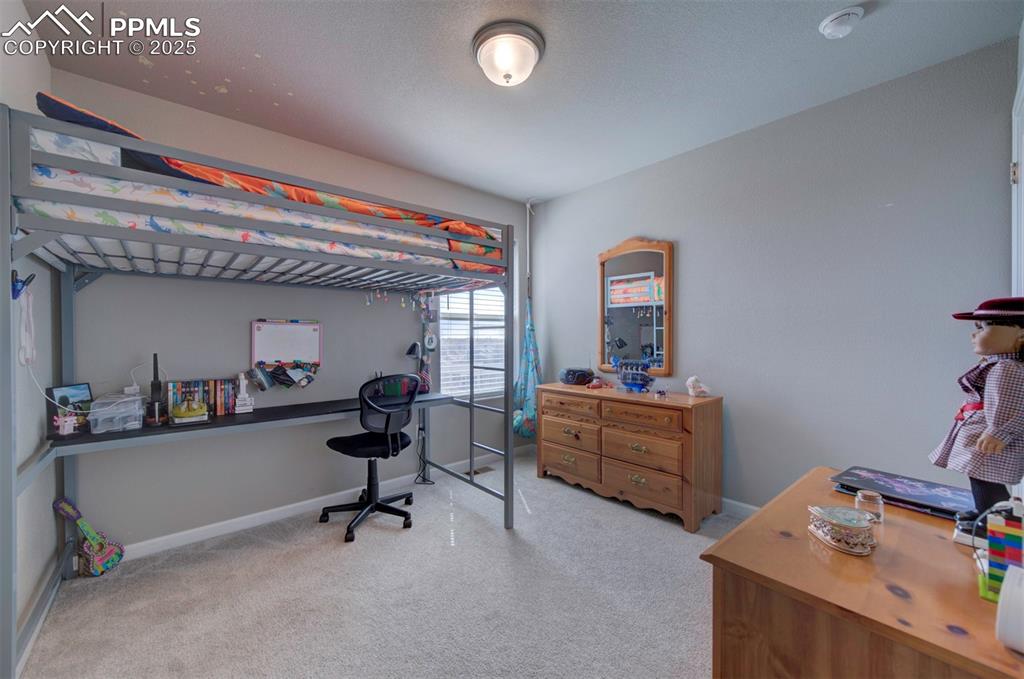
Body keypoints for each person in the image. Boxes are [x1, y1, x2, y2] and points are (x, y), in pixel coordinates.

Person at [930, 298, 1024, 534]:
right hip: (983, 432)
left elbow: (1011, 405)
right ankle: (986, 513)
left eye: (983, 328)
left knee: (984, 477)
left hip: (990, 437)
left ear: (1020, 335)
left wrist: (998, 431)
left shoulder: (1007, 369)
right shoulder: (999, 365)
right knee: (980, 475)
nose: (974, 335)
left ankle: (997, 521)